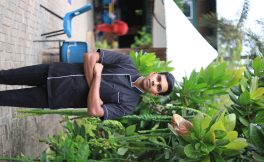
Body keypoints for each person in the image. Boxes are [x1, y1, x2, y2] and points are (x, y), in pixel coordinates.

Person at [0, 50, 175, 120]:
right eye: (158, 79)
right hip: (53, 71)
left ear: (154, 94)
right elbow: (90, 57)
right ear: (154, 73)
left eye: (158, 87)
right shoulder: (126, 63)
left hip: (54, 97)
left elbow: (94, 111)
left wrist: (97, 76)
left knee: (4, 98)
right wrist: (95, 94)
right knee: (5, 75)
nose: (155, 83)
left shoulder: (129, 105)